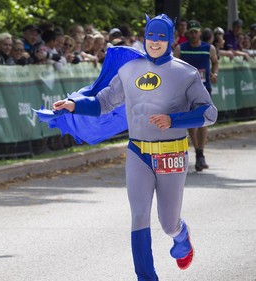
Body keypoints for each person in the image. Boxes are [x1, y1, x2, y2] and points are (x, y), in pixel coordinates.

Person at [36, 14, 217, 280]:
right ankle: (146, 276)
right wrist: (75, 105)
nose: (155, 42)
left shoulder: (186, 73)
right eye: (151, 36)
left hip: (172, 154)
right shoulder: (129, 69)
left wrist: (174, 120)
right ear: (144, 37)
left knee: (168, 223)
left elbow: (209, 113)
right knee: (139, 215)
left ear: (170, 39)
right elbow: (104, 102)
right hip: (138, 153)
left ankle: (181, 235)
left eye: (161, 37)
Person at [174, 19, 218, 172]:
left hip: (204, 88)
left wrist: (214, 73)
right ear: (188, 33)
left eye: (196, 32)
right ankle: (199, 153)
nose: (193, 34)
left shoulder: (209, 48)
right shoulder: (181, 48)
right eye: (191, 32)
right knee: (192, 122)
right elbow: (174, 65)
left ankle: (201, 153)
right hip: (186, 90)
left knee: (204, 120)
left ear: (199, 32)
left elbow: (215, 61)